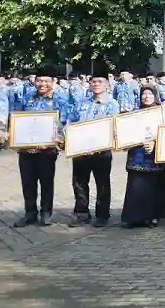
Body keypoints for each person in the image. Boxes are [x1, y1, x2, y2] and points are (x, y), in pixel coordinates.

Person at [8, 66, 70, 227]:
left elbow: (64, 123)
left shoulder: (61, 100)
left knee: (46, 181)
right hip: (26, 149)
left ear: (53, 82)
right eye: (39, 80)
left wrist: (58, 139)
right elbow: (17, 119)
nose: (43, 84)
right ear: (35, 81)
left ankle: (46, 212)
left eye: (46, 81)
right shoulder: (27, 98)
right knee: (27, 182)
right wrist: (14, 137)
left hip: (47, 150)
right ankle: (30, 213)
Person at [66, 66, 121, 228]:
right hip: (81, 150)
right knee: (79, 182)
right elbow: (71, 122)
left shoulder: (113, 104)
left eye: (100, 81)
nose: (96, 84)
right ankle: (81, 213)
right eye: (93, 81)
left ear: (107, 84)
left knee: (102, 183)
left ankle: (102, 214)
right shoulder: (81, 103)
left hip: (101, 151)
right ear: (89, 84)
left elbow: (115, 126)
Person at [120, 84, 165, 228]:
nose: (147, 97)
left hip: (155, 155)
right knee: (136, 186)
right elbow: (127, 133)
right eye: (144, 94)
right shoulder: (134, 114)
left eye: (150, 94)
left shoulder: (161, 113)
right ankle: (134, 217)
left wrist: (155, 143)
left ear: (155, 96)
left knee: (153, 186)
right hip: (136, 155)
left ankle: (153, 216)